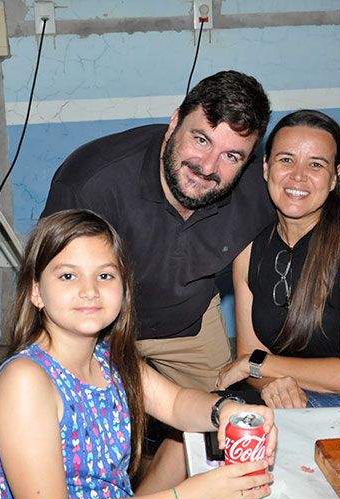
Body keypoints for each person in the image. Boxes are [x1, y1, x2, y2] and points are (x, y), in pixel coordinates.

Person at [0, 209, 277, 499]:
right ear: (36, 291)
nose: (89, 290)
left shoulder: (109, 358)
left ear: (123, 289)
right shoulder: (25, 381)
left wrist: (227, 410)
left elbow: (175, 404)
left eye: (105, 276)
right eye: (68, 276)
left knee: (192, 447)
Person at [41, 71, 274, 392]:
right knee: (68, 411)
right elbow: (50, 280)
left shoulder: (261, 189)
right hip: (96, 323)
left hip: (189, 321)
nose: (208, 167)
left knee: (219, 412)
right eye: (201, 140)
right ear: (175, 122)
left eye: (231, 156)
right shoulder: (92, 182)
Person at [216, 109, 340, 408]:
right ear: (266, 168)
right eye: (286, 160)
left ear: (335, 177)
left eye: (316, 164)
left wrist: (261, 365)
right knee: (204, 421)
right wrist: (274, 385)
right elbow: (248, 359)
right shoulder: (248, 248)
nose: (298, 175)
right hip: (284, 399)